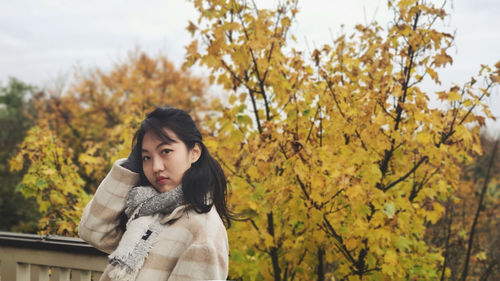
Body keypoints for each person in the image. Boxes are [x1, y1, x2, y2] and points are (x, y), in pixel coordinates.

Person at [79, 107, 232, 281]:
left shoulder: (203, 233)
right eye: (146, 157)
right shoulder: (147, 213)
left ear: (194, 153)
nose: (156, 167)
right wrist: (130, 166)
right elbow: (92, 230)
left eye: (165, 151)